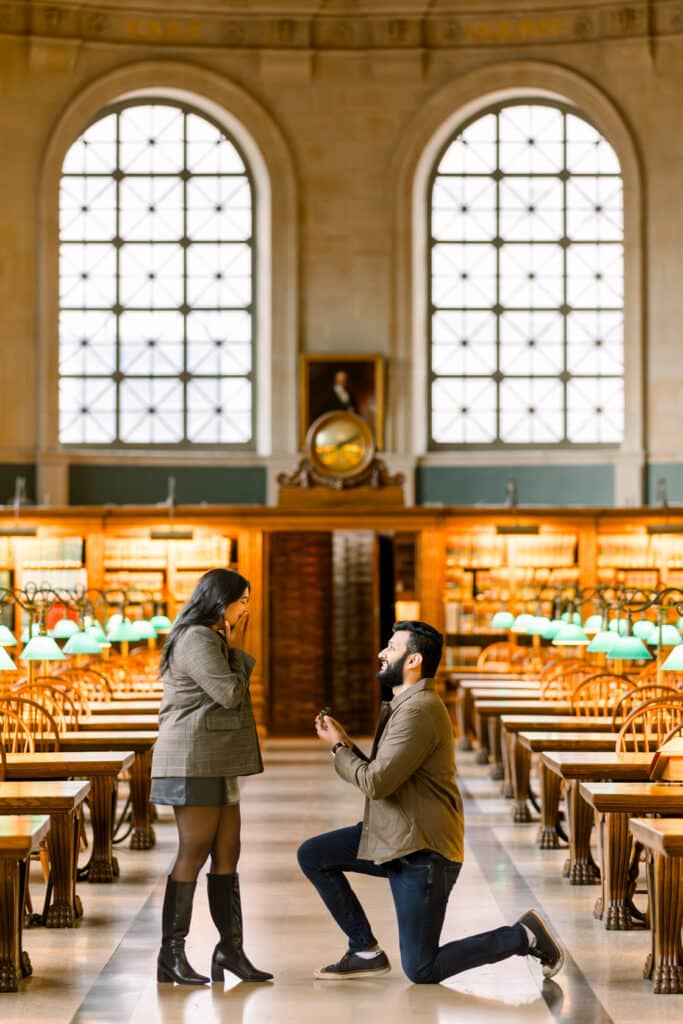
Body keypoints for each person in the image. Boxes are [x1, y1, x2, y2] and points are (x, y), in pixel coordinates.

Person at [297, 620, 564, 984]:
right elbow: (384, 774)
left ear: (413, 661)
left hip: (424, 853)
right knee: (314, 854)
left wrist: (339, 748)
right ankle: (364, 949)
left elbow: (376, 783)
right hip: (394, 837)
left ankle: (523, 935)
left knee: (422, 969)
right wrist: (344, 743)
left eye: (391, 647)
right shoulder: (405, 705)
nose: (382, 653)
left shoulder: (419, 710)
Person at [151, 568, 272, 985]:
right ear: (222, 603)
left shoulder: (210, 637)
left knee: (228, 851)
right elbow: (230, 693)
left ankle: (230, 951)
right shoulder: (197, 638)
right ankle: (171, 956)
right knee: (195, 850)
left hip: (215, 757)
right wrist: (237, 648)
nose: (246, 610)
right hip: (193, 758)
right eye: (243, 602)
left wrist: (232, 645)